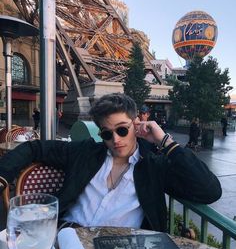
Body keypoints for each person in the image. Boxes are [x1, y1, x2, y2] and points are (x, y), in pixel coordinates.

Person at [0, 93, 222, 232]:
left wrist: (166, 142)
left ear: (136, 124)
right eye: (107, 133)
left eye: (123, 129)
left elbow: (209, 191)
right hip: (66, 236)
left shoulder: (154, 165)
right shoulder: (85, 152)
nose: (115, 139)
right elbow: (35, 147)